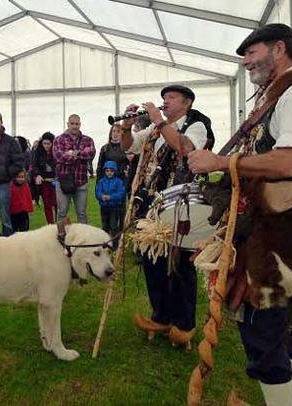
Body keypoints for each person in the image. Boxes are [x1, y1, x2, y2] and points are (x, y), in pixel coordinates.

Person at [187, 24, 292, 405]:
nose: (245, 62)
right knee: (277, 331)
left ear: (279, 49)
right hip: (283, 230)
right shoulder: (281, 94)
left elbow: (288, 161)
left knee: (263, 333)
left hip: (288, 233)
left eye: (251, 53)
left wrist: (221, 161)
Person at [133, 84, 214, 349]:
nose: (165, 102)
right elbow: (129, 147)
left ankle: (184, 325)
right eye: (164, 98)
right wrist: (125, 128)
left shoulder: (197, 124)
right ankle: (162, 316)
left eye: (171, 97)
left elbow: (185, 148)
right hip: (156, 202)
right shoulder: (157, 127)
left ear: (187, 102)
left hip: (183, 202)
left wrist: (157, 120)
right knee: (153, 259)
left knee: (179, 264)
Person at [53, 114, 96, 224]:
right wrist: (80, 155)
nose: (74, 126)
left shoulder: (88, 140)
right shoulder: (59, 139)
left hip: (81, 181)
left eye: (77, 124)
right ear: (68, 124)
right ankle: (61, 236)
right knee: (62, 212)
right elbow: (58, 157)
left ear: (80, 125)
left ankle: (84, 238)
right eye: (72, 123)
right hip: (63, 181)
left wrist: (73, 153)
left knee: (81, 213)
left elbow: (91, 154)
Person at [95, 161, 126, 248]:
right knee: (105, 226)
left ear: (115, 171)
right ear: (104, 171)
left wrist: (110, 197)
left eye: (111, 171)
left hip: (114, 208)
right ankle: (105, 243)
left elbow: (121, 194)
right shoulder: (101, 181)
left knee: (113, 226)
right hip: (104, 207)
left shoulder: (118, 181)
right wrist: (101, 196)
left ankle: (114, 245)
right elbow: (97, 192)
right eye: (107, 171)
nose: (109, 173)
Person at [31, 132, 58, 224]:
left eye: (48, 144)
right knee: (47, 204)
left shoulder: (56, 152)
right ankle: (50, 224)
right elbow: (34, 165)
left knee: (57, 203)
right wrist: (37, 175)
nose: (46, 146)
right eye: (44, 143)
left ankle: (58, 223)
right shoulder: (38, 152)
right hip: (44, 182)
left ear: (52, 143)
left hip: (56, 181)